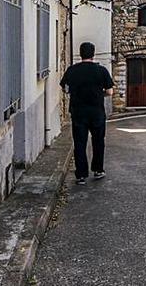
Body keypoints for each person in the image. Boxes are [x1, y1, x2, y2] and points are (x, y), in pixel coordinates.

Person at [60, 42, 114, 185]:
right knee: (98, 141)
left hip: (78, 112)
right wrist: (99, 93)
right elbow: (109, 91)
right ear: (93, 53)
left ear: (81, 53)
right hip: (96, 111)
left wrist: (75, 92)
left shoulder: (72, 70)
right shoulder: (101, 71)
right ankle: (98, 170)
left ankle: (81, 175)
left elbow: (65, 88)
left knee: (79, 142)